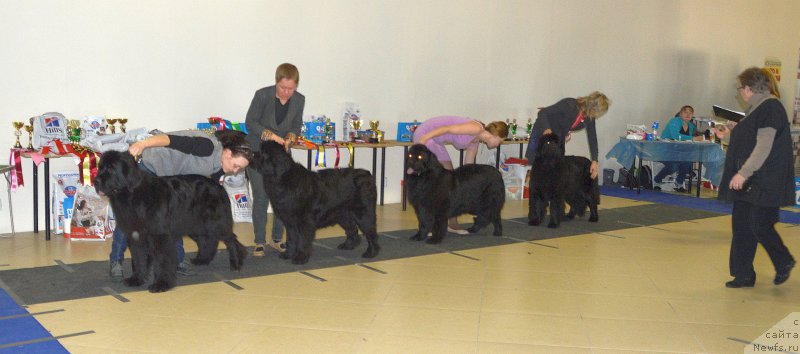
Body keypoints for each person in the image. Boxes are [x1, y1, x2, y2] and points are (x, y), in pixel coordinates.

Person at [109, 130, 254, 278]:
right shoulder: (207, 147)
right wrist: (142, 144)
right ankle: (116, 261)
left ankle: (178, 261)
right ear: (227, 153)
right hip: (148, 167)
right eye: (235, 165)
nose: (235, 171)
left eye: (239, 169)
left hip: (168, 178)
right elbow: (169, 139)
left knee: (174, 216)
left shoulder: (218, 168)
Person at [715, 67, 795, 288]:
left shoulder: (770, 107)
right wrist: (730, 134)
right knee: (741, 225)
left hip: (765, 179)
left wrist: (743, 173)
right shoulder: (757, 108)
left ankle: (784, 260)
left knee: (759, 224)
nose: (740, 92)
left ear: (749, 89)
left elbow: (763, 146)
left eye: (741, 88)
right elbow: (749, 140)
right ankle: (743, 274)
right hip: (754, 179)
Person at [245, 63, 305, 256]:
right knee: (261, 195)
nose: (287, 92)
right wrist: (269, 135)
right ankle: (259, 241)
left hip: (281, 156)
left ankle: (277, 239)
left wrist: (290, 137)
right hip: (258, 153)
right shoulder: (262, 95)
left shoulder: (299, 100)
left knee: (283, 196)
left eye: (291, 89)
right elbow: (250, 122)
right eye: (282, 88)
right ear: (276, 81)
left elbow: (296, 125)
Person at [524, 91, 610, 223]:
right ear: (592, 107)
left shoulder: (588, 117)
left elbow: (592, 138)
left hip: (557, 140)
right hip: (543, 135)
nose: (597, 116)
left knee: (557, 179)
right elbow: (543, 113)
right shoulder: (569, 105)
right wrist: (547, 128)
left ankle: (557, 214)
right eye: (598, 112)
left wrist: (595, 161)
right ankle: (535, 215)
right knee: (538, 179)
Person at [412, 116, 509, 234]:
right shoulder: (475, 128)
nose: (499, 144)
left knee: (451, 183)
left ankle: (452, 224)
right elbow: (447, 129)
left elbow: (468, 168)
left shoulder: (475, 141)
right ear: (495, 135)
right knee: (442, 184)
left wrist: (474, 190)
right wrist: (424, 138)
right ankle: (431, 225)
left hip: (436, 141)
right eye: (500, 141)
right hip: (426, 135)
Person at [653, 105, 703, 192]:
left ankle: (678, 183)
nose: (688, 115)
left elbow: (687, 141)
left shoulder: (691, 126)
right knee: (674, 166)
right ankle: (657, 180)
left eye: (690, 113)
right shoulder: (674, 121)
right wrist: (692, 138)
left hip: (679, 151)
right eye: (685, 112)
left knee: (688, 162)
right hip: (665, 150)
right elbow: (675, 136)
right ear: (680, 113)